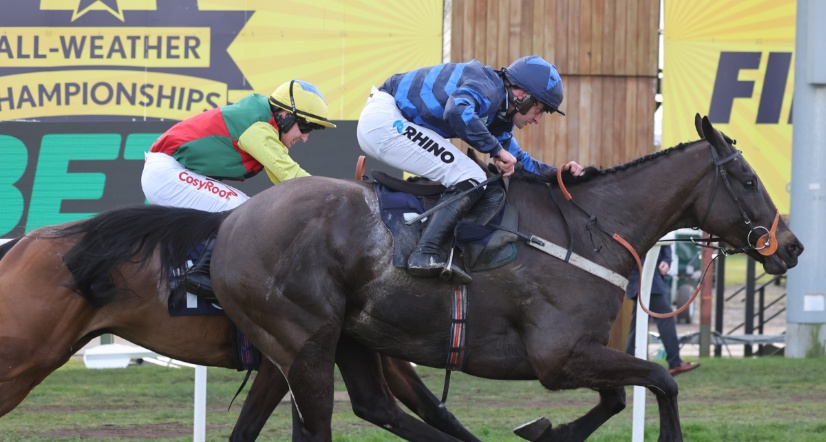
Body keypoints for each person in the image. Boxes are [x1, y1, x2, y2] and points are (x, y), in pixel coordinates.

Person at [357, 55, 584, 284]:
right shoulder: (488, 86)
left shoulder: (500, 112)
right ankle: (425, 253)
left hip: (392, 119)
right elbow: (456, 110)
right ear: (522, 96)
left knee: (469, 173)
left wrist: (556, 174)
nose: (538, 120)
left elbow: (517, 159)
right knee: (470, 175)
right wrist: (495, 150)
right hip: (385, 120)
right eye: (539, 109)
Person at [141, 79, 335, 213]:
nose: (305, 137)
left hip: (168, 173)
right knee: (243, 211)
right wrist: (338, 194)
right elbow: (290, 174)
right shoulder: (258, 128)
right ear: (285, 115)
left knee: (243, 210)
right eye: (305, 126)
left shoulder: (263, 122)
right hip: (166, 173)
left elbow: (286, 182)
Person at [625, 244, 700, 377]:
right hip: (645, 279)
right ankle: (675, 362)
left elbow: (665, 241)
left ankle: (626, 365)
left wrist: (666, 260)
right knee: (665, 317)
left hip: (649, 279)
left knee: (638, 325)